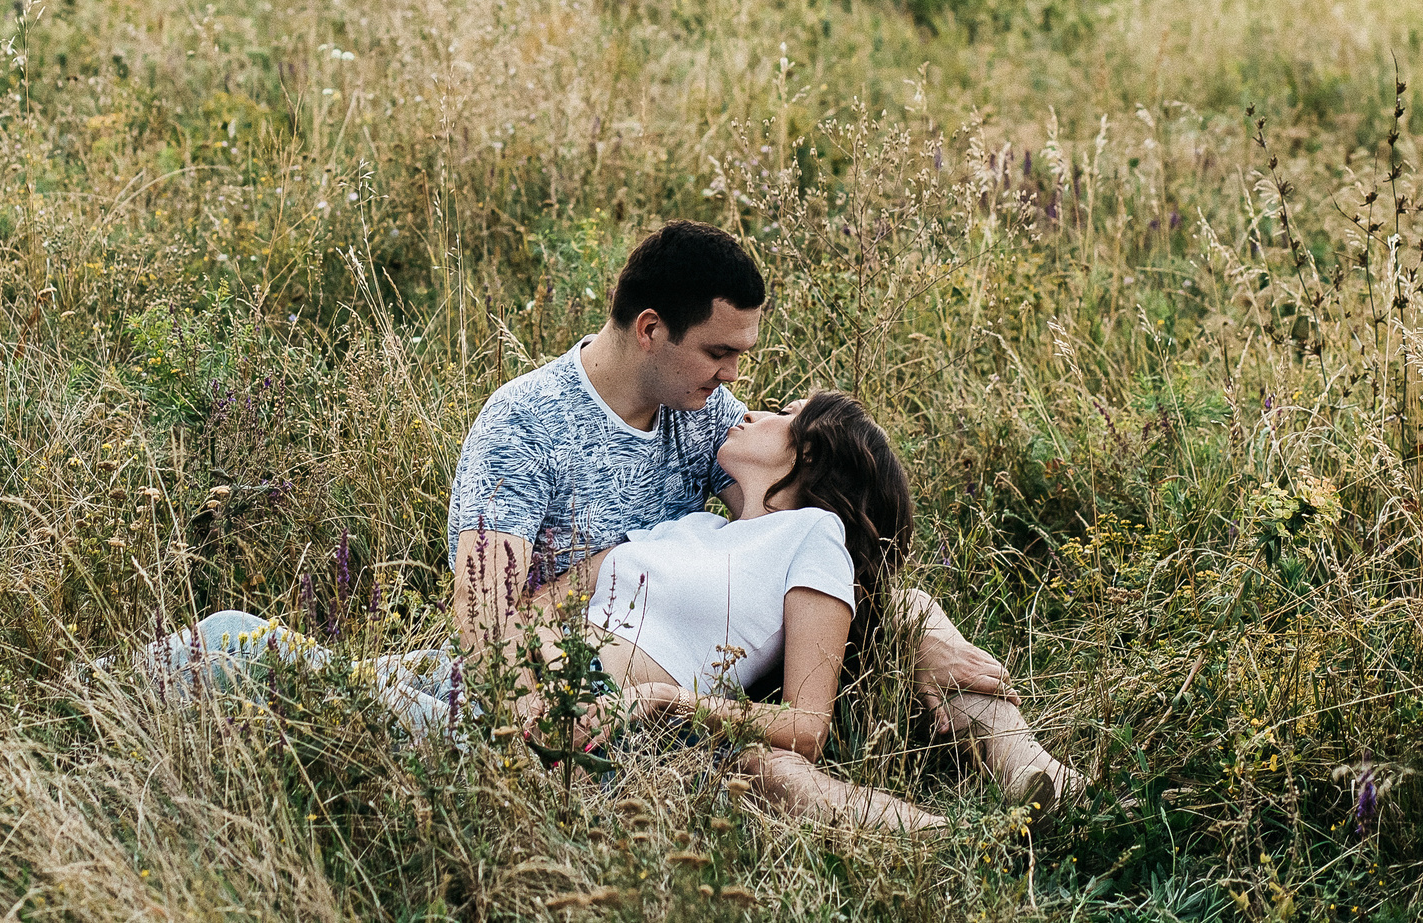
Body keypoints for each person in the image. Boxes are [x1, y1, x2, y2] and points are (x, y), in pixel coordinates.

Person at [447, 220, 1078, 825]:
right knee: (759, 769)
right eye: (718, 352)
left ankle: (1027, 767)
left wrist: (905, 633)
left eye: (740, 355)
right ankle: (953, 836)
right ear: (650, 329)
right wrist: (546, 726)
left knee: (911, 609)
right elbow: (485, 629)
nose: (735, 379)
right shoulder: (523, 426)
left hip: (714, 654)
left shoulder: (701, 409)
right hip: (583, 670)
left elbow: (798, 506)